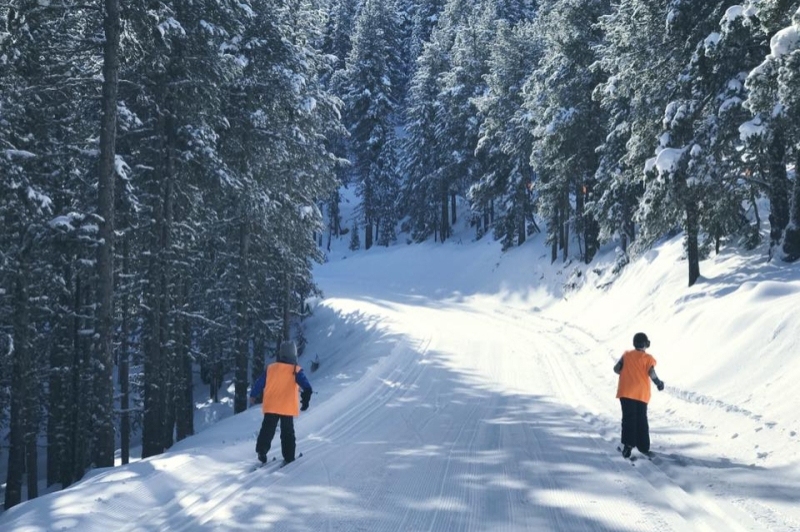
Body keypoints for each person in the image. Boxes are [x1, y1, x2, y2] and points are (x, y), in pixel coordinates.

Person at [249, 340, 313, 464]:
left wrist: (253, 395)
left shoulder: (271, 369)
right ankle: (289, 456)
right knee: (287, 432)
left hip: (271, 405)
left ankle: (261, 451)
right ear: (294, 354)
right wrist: (305, 400)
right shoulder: (295, 370)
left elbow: (259, 383)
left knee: (267, 430)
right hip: (287, 407)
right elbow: (307, 387)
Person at [613, 332, 665, 458]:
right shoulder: (648, 358)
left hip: (626, 392)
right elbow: (651, 373)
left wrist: (627, 373)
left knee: (628, 418)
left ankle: (628, 445)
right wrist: (659, 383)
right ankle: (643, 446)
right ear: (645, 344)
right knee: (641, 419)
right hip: (641, 394)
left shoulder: (626, 355)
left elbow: (616, 369)